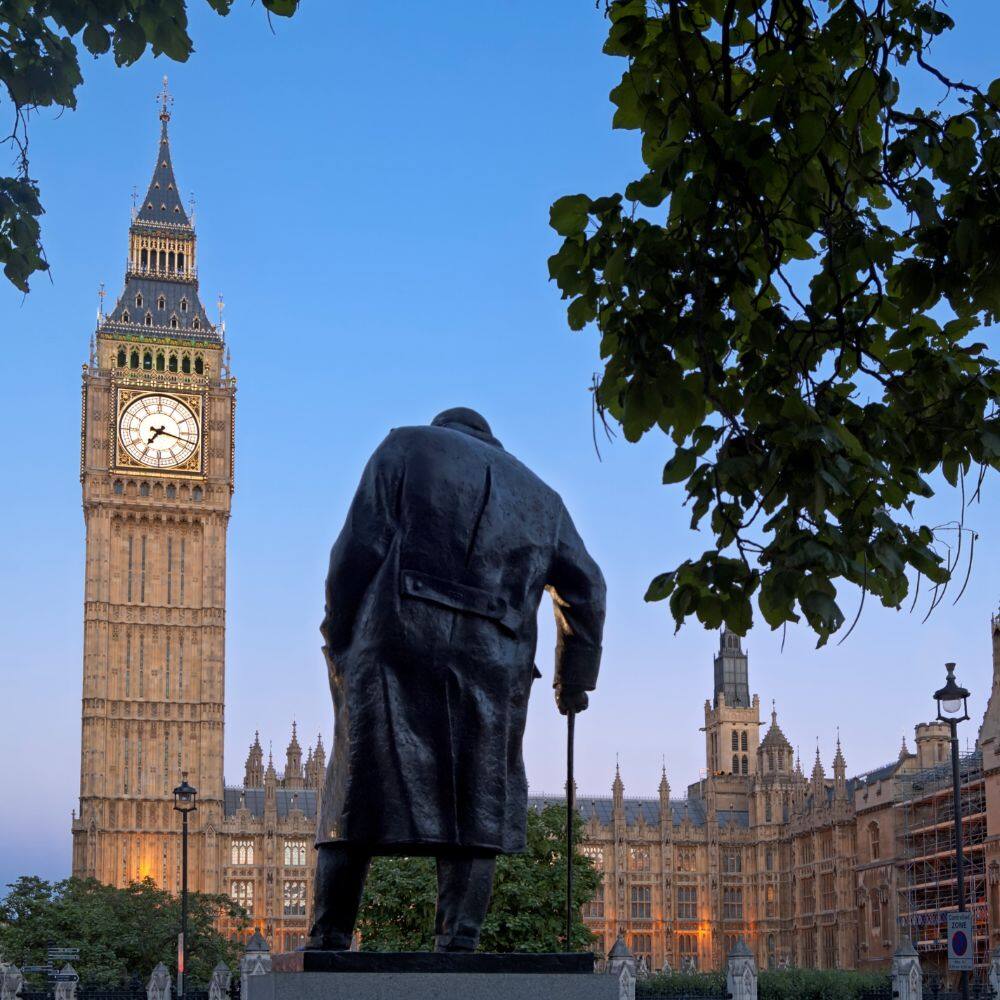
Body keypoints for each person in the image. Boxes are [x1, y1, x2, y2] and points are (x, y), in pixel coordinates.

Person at [307, 407, 606, 953]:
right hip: (493, 664)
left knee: (356, 791)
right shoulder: (543, 499)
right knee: (478, 803)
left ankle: (328, 937)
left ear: (445, 428)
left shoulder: (404, 447)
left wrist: (339, 634)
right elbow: (587, 588)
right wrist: (574, 679)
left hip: (395, 641)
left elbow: (356, 551)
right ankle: (459, 940)